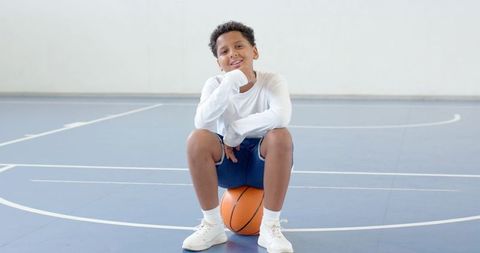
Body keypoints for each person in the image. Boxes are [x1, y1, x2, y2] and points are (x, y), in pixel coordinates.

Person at [182, 21, 294, 253]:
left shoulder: (272, 81)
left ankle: (270, 228)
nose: (232, 53)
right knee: (197, 139)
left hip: (262, 166)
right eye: (224, 51)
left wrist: (235, 131)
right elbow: (202, 122)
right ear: (218, 63)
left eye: (239, 46)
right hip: (229, 163)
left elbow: (281, 115)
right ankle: (212, 225)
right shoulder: (214, 84)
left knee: (281, 136)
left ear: (254, 51)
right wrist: (231, 81)